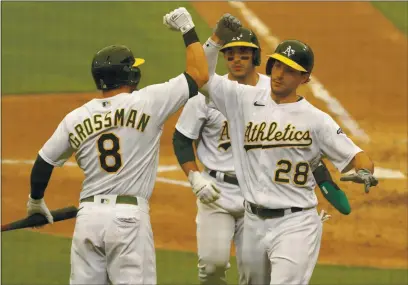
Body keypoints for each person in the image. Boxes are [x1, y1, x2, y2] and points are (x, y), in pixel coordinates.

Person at [25, 7, 210, 285]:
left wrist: (36, 202)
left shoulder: (76, 117)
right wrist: (187, 28)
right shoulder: (149, 102)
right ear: (130, 75)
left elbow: (44, 161)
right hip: (128, 220)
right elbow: (199, 74)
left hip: (88, 219)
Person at [198, 13, 379, 285]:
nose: (280, 75)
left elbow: (357, 156)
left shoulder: (316, 120)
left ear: (304, 78)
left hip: (295, 224)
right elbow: (203, 77)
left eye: (290, 70)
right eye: (277, 66)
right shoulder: (243, 100)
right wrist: (214, 41)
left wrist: (364, 171)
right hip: (253, 222)